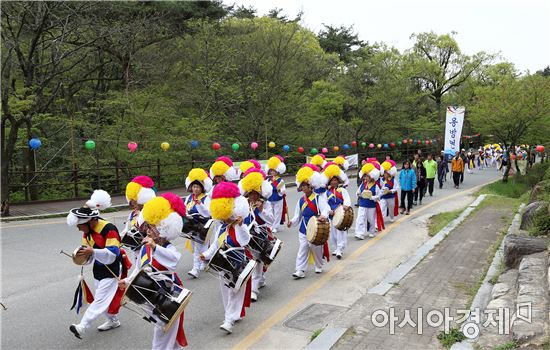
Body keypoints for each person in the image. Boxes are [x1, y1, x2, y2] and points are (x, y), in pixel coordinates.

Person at [121, 193, 189, 349]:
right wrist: (126, 281)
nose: (148, 230)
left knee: (162, 332)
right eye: (148, 227)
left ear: (163, 229)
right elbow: (138, 270)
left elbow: (174, 260)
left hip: (168, 296)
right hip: (151, 296)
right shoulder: (144, 248)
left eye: (152, 227)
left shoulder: (167, 247)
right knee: (167, 331)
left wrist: (155, 247)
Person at [67, 190, 123, 338]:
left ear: (91, 221)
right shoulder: (86, 233)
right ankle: (113, 320)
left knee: (99, 300)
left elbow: (112, 254)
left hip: (112, 269)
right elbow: (89, 257)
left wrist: (93, 252)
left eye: (80, 224)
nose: (78, 228)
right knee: (103, 299)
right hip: (98, 269)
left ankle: (82, 326)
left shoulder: (109, 228)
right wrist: (81, 256)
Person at [201, 182, 253, 334]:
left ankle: (228, 319)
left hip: (238, 263)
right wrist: (206, 255)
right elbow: (216, 244)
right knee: (225, 290)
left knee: (234, 291)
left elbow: (246, 240)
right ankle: (231, 314)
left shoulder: (239, 226)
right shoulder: (222, 227)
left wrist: (241, 225)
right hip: (223, 262)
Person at [287, 166, 330, 278]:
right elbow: (298, 216)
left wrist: (323, 216)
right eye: (302, 186)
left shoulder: (318, 198)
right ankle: (300, 270)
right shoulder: (301, 200)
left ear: (311, 186)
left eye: (305, 186)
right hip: (303, 228)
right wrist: (291, 222)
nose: (304, 188)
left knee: (316, 249)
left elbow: (325, 209)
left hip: (315, 227)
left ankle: (319, 265)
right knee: (303, 248)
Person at [239, 168, 274, 302]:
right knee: (249, 261)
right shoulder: (243, 203)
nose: (253, 196)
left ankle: (253, 290)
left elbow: (271, 220)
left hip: (260, 235)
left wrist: (261, 210)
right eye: (250, 193)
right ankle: (258, 280)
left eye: (255, 193)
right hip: (246, 235)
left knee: (258, 261)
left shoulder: (265, 204)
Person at [184, 168, 213, 278]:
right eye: (194, 187)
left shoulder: (206, 199)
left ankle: (195, 269)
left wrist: (200, 204)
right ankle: (205, 261)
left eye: (198, 187)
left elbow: (208, 214)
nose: (195, 189)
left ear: (202, 188)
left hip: (202, 227)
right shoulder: (188, 198)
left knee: (197, 247)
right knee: (196, 247)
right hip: (190, 225)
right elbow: (184, 209)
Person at [122, 176, 157, 260]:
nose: (133, 205)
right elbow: (127, 228)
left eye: (135, 202)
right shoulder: (132, 214)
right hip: (135, 249)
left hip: (150, 249)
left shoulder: (151, 213)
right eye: (131, 203)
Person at [323, 162, 351, 259]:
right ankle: (336, 247)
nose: (334, 182)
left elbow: (347, 199)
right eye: (332, 180)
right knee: (333, 234)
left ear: (338, 181)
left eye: (335, 180)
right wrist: (328, 210)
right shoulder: (326, 192)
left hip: (341, 214)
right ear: (329, 182)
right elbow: (324, 203)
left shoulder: (342, 190)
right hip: (331, 214)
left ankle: (340, 249)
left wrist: (345, 206)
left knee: (340, 232)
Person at [355, 162, 383, 239]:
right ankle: (359, 233)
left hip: (371, 205)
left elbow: (379, 196)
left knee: (371, 219)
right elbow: (357, 192)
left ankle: (371, 231)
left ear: (371, 176)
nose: (365, 178)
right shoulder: (362, 184)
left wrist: (372, 197)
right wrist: (359, 194)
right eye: (365, 176)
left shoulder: (376, 186)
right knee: (360, 218)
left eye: (367, 176)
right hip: (362, 204)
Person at [265, 155, 287, 233]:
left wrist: (279, 189)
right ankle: (270, 226)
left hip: (278, 198)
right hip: (269, 198)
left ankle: (276, 227)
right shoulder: (267, 180)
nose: (272, 172)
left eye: (274, 171)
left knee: (278, 213)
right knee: (269, 212)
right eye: (271, 171)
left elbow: (282, 190)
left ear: (277, 171)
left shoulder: (280, 180)